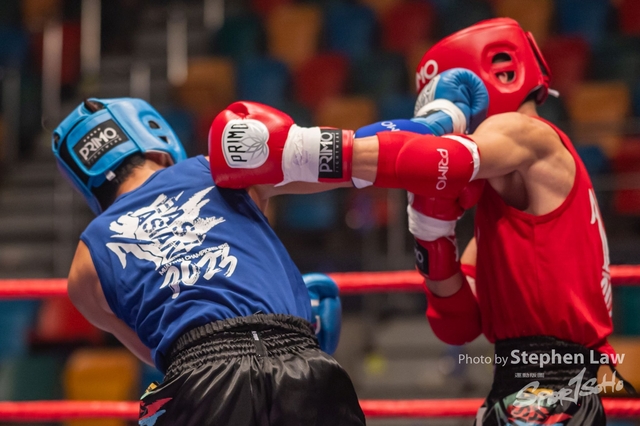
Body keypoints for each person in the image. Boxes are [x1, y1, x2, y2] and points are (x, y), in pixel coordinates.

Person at [207, 18, 627, 425]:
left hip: (550, 388)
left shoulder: (528, 132)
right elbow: (457, 324)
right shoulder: (502, 215)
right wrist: (432, 234)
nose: (456, 123)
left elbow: (443, 160)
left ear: (500, 73)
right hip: (524, 383)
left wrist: (298, 149)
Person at [51, 97, 364, 426]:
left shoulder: (83, 268)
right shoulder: (217, 169)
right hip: (298, 357)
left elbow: (157, 353)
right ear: (156, 141)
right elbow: (347, 164)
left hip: (199, 381)